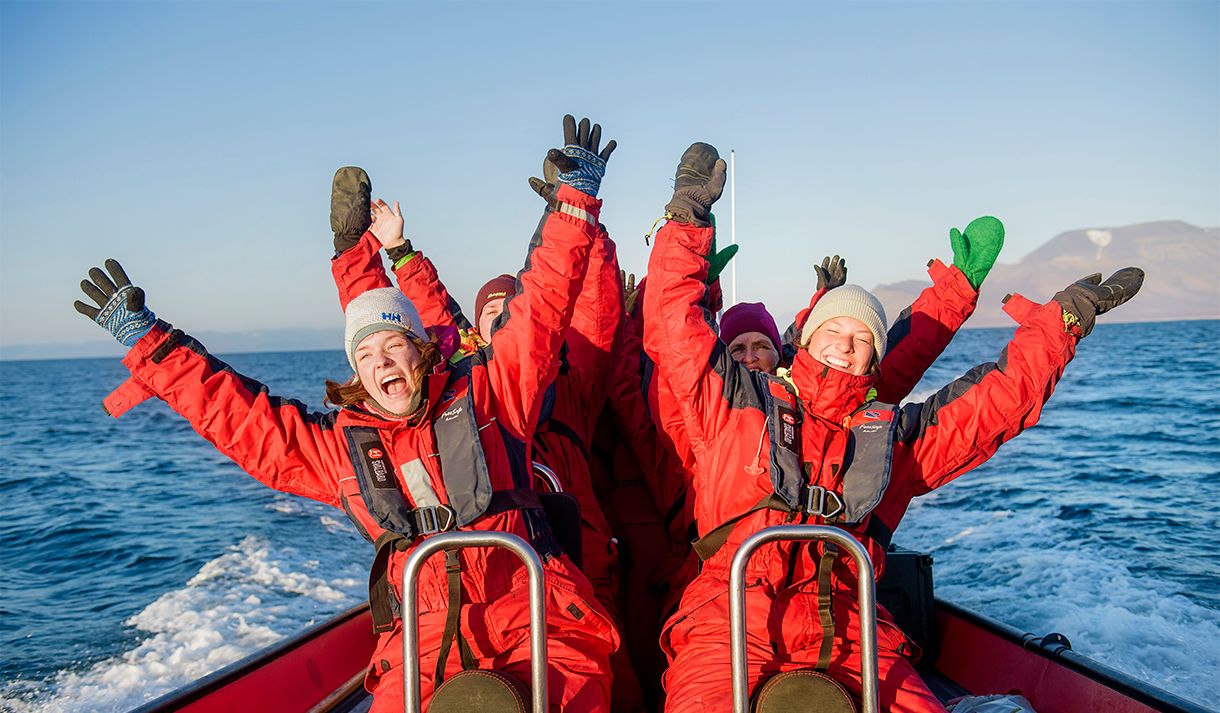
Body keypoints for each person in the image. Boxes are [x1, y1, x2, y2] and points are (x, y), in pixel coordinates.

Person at [72, 118, 621, 711]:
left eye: (394, 345)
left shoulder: (491, 397)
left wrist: (575, 203)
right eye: (365, 354)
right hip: (421, 646)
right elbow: (242, 419)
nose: (382, 360)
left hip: (532, 618)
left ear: (422, 349)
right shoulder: (344, 451)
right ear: (357, 376)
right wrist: (150, 343)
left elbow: (540, 307)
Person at [642, 142, 1144, 712]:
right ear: (806, 339)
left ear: (873, 361)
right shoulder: (733, 406)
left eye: (862, 340)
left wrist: (1063, 324)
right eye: (834, 331)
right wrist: (687, 218)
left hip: (857, 630)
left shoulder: (891, 440)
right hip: (730, 621)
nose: (845, 346)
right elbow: (672, 323)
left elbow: (995, 405)